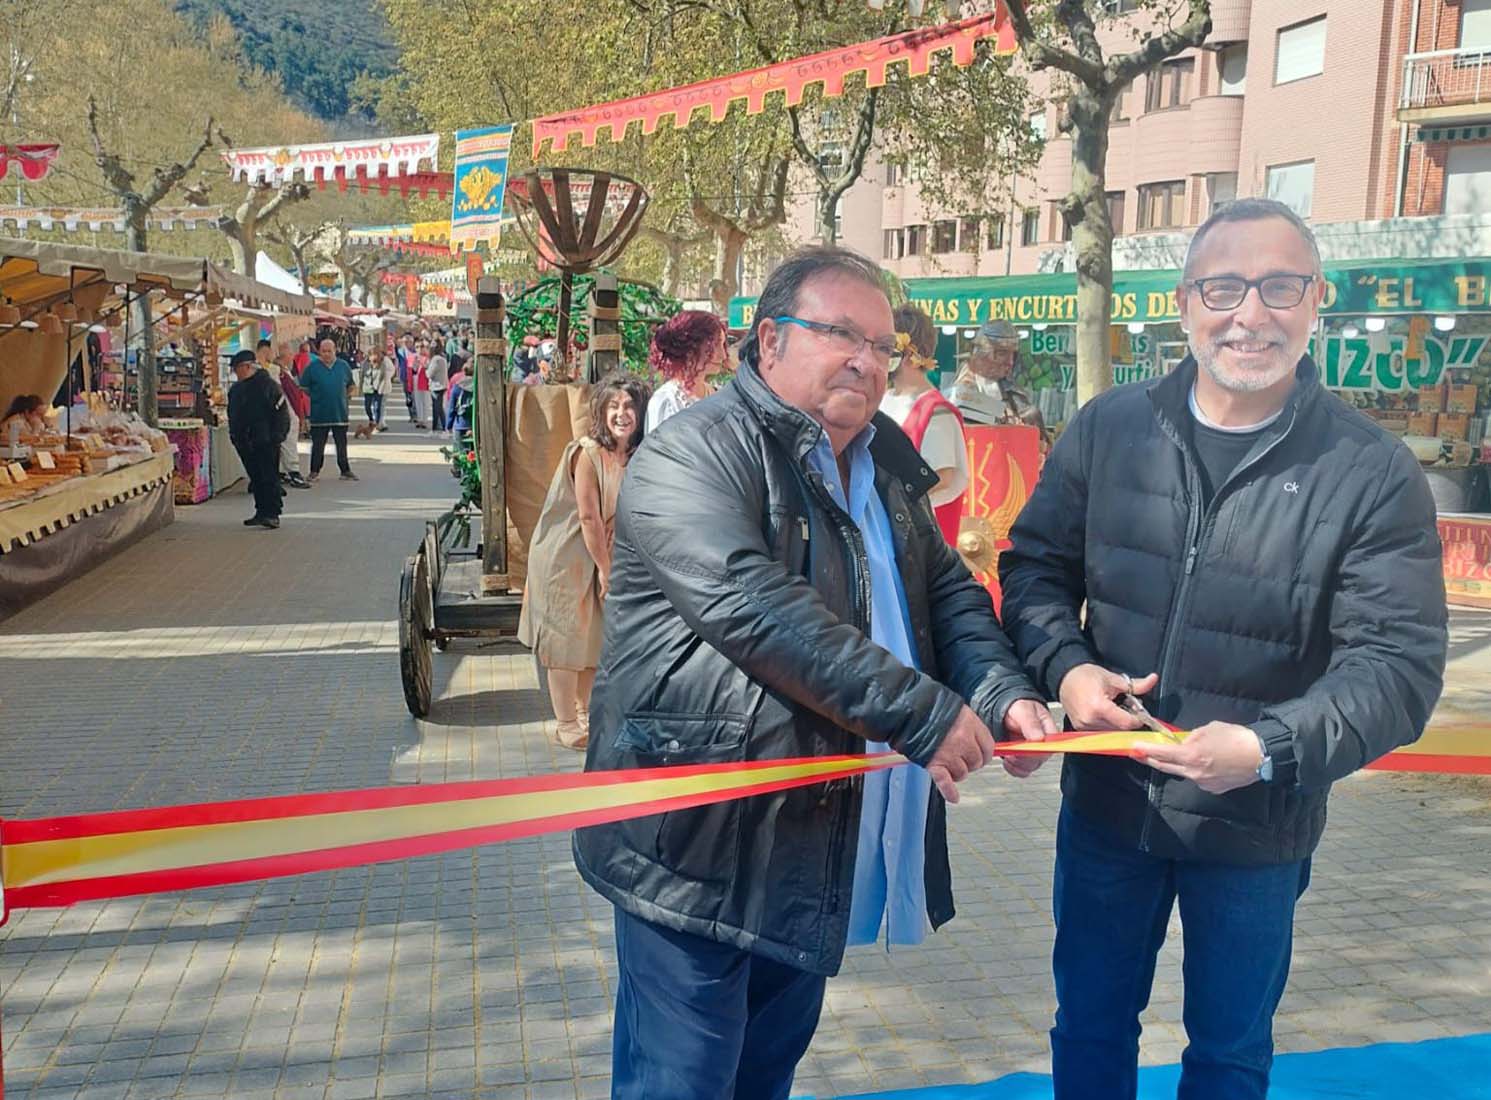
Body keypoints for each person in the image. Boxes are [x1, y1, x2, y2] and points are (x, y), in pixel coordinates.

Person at [573, 247, 1054, 1100]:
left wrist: (1000, 694)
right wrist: (924, 715)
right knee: (680, 1084)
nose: (866, 360)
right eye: (839, 333)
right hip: (694, 841)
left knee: (763, 1077)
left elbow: (946, 597)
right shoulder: (694, 452)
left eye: (882, 343)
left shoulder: (883, 467)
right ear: (767, 341)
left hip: (807, 835)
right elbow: (753, 608)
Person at [997, 198, 1449, 1100]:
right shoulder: (1106, 429)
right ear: (1183, 303)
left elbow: (1396, 667)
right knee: (1086, 1028)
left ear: (1315, 300)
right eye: (1224, 287)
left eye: (1278, 287)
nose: (1250, 313)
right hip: (1108, 807)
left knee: (1230, 1055)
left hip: (1258, 825)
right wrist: (1067, 667)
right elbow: (1033, 569)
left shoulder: (1369, 471)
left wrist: (1269, 748)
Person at [518, 372, 651, 751]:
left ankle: (588, 714)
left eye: (628, 406)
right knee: (565, 639)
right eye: (613, 406)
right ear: (601, 411)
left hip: (600, 551)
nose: (621, 413)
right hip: (566, 553)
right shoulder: (587, 452)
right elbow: (589, 517)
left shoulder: (638, 453)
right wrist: (608, 571)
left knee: (593, 635)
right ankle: (564, 722)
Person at [880, 304, 967, 545]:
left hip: (919, 541)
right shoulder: (883, 400)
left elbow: (942, 477)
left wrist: (890, 503)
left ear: (908, 353)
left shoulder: (936, 412)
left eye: (885, 347)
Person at [949, 319, 1047, 441]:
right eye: (1002, 354)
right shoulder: (962, 391)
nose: (1010, 362)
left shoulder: (1013, 394)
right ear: (981, 354)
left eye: (1013, 355)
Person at [226, 349, 289, 530]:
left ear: (247, 367)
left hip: (266, 440)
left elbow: (282, 413)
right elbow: (233, 415)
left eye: (237, 368)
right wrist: (235, 436)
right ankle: (261, 511)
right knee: (255, 478)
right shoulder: (236, 390)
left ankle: (273, 513)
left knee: (269, 477)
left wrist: (277, 436)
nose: (235, 373)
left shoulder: (268, 385)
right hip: (245, 442)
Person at [644, 309, 726, 433]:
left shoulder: (717, 395)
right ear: (692, 348)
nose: (723, 355)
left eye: (723, 345)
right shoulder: (665, 400)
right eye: (715, 345)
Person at [301, 338, 358, 482]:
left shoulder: (343, 366)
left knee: (341, 443)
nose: (326, 354)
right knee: (318, 444)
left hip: (340, 412)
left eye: (329, 351)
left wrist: (344, 396)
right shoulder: (312, 368)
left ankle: (345, 470)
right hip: (320, 413)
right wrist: (318, 396)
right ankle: (314, 471)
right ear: (319, 352)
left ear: (335, 351)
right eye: (323, 351)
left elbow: (351, 385)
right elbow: (304, 388)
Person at [257, 340, 309, 489]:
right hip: (281, 413)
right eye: (289, 353)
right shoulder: (272, 371)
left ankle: (281, 472)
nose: (292, 357)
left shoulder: (282, 370)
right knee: (286, 441)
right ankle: (293, 472)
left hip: (287, 412)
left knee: (282, 442)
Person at [361, 345, 395, 430]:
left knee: (379, 406)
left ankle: (378, 424)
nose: (374, 356)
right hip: (368, 387)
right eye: (372, 354)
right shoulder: (366, 363)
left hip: (380, 387)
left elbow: (391, 371)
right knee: (367, 406)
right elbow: (362, 374)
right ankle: (373, 420)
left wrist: (386, 377)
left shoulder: (384, 361)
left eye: (376, 353)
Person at [427, 345, 449, 433]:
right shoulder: (443, 359)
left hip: (436, 386)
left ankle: (439, 427)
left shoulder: (435, 360)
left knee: (437, 409)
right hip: (442, 385)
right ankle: (440, 426)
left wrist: (426, 370)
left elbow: (430, 374)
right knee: (438, 408)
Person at [411, 341, 433, 428]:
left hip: (425, 380)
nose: (419, 349)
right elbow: (413, 369)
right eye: (417, 347)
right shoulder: (414, 357)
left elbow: (428, 368)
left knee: (425, 401)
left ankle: (425, 420)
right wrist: (415, 363)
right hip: (416, 379)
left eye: (421, 347)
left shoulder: (428, 357)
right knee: (418, 400)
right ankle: (420, 419)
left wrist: (423, 363)